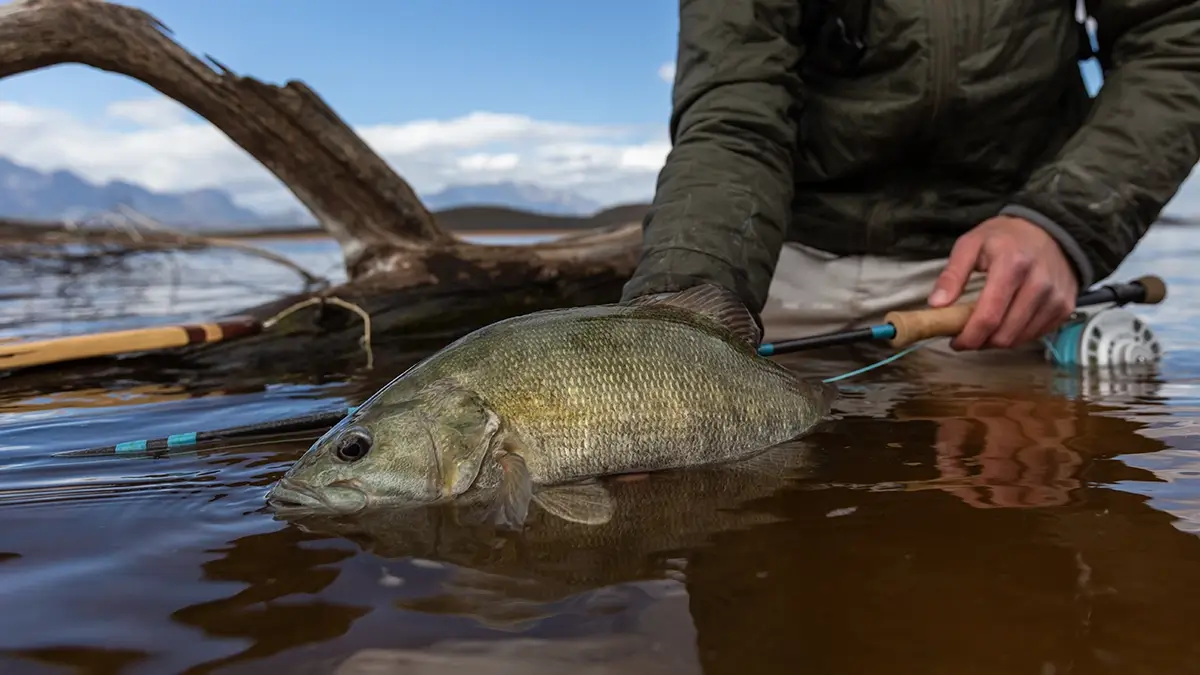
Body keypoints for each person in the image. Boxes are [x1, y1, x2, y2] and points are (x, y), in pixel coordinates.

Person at [620, 0, 1200, 355]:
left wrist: (1062, 224)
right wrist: (681, 308)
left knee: (1050, 450)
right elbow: (734, 120)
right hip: (788, 257)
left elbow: (1180, 41)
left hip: (994, 260)